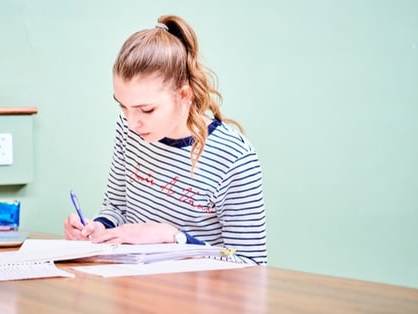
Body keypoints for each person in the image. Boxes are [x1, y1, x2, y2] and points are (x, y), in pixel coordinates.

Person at [63, 15, 266, 265]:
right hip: (133, 289)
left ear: (184, 95)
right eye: (123, 107)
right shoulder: (129, 131)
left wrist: (172, 236)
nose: (131, 123)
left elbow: (252, 266)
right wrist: (98, 229)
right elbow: (116, 207)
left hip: (198, 299)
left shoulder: (235, 158)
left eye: (146, 110)